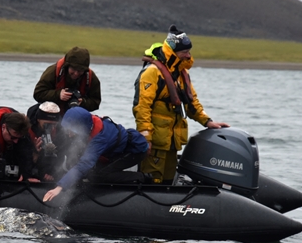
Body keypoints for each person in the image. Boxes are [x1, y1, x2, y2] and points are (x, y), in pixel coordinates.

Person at [132, 25, 230, 184]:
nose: (188, 55)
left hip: (172, 142)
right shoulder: (151, 73)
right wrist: (145, 138)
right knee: (152, 181)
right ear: (173, 52)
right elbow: (142, 108)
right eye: (185, 52)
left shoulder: (181, 73)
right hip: (155, 142)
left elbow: (192, 103)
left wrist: (208, 121)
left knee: (169, 181)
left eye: (189, 51)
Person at [43, 108, 150, 202]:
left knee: (100, 175)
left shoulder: (99, 139)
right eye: (68, 130)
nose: (70, 134)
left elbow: (84, 164)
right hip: (115, 151)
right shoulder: (90, 123)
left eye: (73, 131)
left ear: (83, 127)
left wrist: (60, 187)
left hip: (135, 150)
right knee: (91, 173)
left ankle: (142, 177)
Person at [33, 46, 101, 114]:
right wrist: (58, 95)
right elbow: (38, 93)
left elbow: (96, 102)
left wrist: (83, 102)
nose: (76, 73)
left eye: (80, 70)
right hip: (52, 114)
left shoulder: (91, 78)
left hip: (76, 116)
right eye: (73, 69)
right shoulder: (52, 72)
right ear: (67, 66)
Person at [26, 101, 61, 181]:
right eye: (47, 124)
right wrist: (35, 151)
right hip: (30, 164)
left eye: (53, 125)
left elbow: (62, 154)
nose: (50, 128)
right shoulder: (26, 130)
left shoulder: (59, 131)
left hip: (47, 166)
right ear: (38, 119)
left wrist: (52, 172)